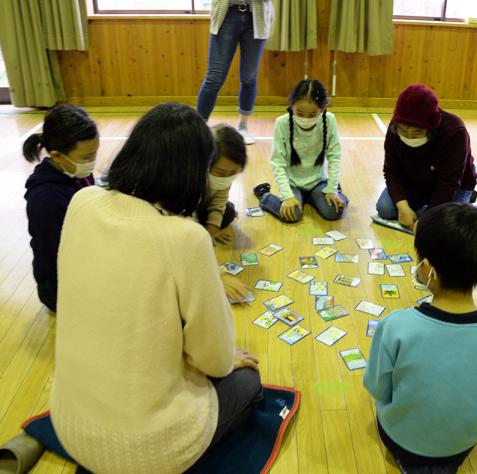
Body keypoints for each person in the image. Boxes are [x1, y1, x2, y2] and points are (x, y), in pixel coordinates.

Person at [49, 103, 262, 473]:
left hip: (68, 424)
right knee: (247, 379)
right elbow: (213, 359)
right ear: (195, 174)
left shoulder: (81, 201)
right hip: (147, 452)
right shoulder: (185, 238)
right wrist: (228, 357)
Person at [364, 203, 477, 473]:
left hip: (401, 440)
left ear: (426, 268)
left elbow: (377, 388)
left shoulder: (395, 325)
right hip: (464, 444)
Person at [23, 105, 98, 313]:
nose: (91, 163)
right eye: (86, 158)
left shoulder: (75, 171)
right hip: (59, 286)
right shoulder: (46, 198)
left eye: (94, 155)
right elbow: (56, 252)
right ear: (56, 156)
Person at [375, 83, 477, 230]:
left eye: (417, 132)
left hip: (454, 186)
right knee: (385, 209)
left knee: (449, 227)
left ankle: (449, 206)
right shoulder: (396, 126)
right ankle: (424, 210)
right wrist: (402, 206)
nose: (408, 136)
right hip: (414, 182)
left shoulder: (455, 131)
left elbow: (449, 183)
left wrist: (428, 219)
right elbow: (391, 171)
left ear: (432, 128)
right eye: (403, 131)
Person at [253, 79, 348, 222]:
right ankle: (265, 195)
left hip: (317, 183)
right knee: (293, 215)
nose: (305, 119)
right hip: (293, 184)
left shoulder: (329, 120)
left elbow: (335, 156)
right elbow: (278, 163)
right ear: (291, 106)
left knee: (333, 212)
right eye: (300, 113)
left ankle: (326, 194)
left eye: (312, 114)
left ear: (323, 109)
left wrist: (332, 189)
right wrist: (287, 196)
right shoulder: (282, 123)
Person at [197, 0, 275, 145]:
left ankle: (243, 127)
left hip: (256, 18)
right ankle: (198, 129)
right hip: (226, 15)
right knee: (214, 78)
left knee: (249, 78)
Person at [195, 123, 252, 303]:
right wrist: (216, 273)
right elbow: (181, 218)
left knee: (228, 211)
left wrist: (212, 228)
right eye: (220, 172)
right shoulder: (190, 175)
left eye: (233, 173)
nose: (226, 177)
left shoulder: (225, 175)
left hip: (201, 205)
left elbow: (220, 200)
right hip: (180, 210)